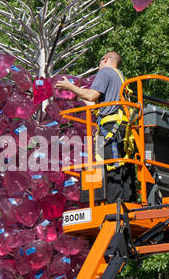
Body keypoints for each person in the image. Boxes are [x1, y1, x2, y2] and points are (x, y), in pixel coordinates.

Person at [55, 51, 136, 203]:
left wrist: (69, 86)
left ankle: (115, 209)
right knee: (122, 166)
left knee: (110, 167)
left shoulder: (105, 71)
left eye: (99, 62)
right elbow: (94, 105)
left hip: (110, 127)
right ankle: (128, 204)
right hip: (120, 127)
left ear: (105, 59)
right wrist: (78, 93)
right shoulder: (119, 77)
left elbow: (91, 95)